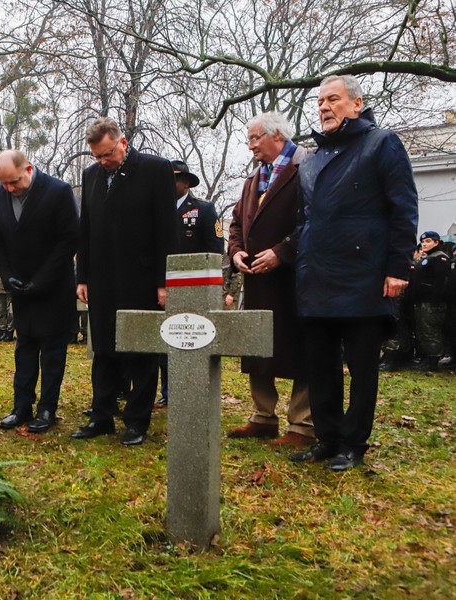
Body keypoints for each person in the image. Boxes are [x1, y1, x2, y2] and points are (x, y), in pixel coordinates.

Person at [291, 75, 418, 471]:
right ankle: (327, 438)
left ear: (357, 104)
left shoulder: (381, 143)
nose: (324, 107)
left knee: (362, 367)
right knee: (319, 363)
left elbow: (403, 209)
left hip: (364, 275)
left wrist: (398, 268)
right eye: (319, 102)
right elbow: (303, 220)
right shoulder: (310, 160)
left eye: (333, 99)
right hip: (317, 278)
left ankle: (353, 444)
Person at [72, 117, 179, 446]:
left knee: (140, 351)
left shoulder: (155, 170)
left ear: (123, 142)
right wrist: (83, 276)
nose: (103, 162)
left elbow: (166, 229)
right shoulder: (91, 176)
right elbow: (86, 230)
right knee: (103, 349)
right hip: (102, 278)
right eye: (97, 157)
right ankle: (101, 416)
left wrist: (164, 282)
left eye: (107, 155)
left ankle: (136, 420)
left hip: (141, 277)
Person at [227, 111, 313, 448]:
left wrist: (282, 252)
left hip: (294, 280)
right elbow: (236, 224)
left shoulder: (306, 167)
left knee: (301, 349)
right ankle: (263, 417)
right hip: (256, 281)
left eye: (254, 139)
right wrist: (236, 252)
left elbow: (312, 219)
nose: (250, 147)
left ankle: (302, 425)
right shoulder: (253, 179)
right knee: (258, 348)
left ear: (276, 135)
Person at [0, 149, 79, 433]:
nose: (9, 189)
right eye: (4, 183)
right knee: (24, 348)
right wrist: (8, 276)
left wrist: (41, 280)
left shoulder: (58, 191)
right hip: (20, 287)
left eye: (14, 182)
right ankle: (22, 407)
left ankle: (47, 409)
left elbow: (69, 240)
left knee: (52, 352)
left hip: (53, 286)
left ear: (28, 169)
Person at [154, 159, 225, 407]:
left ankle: (194, 391)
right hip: (162, 287)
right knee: (166, 342)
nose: (170, 184)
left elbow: (215, 250)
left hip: (194, 289)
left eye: (174, 179)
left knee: (193, 341)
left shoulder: (204, 210)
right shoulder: (156, 210)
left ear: (185, 182)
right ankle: (168, 391)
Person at [410, 231, 450, 370]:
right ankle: (426, 358)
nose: (424, 244)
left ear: (436, 242)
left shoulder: (440, 257)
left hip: (432, 302)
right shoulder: (426, 258)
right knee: (422, 330)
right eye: (423, 242)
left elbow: (441, 281)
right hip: (421, 301)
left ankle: (433, 361)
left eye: (428, 241)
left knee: (431, 331)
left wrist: (436, 300)